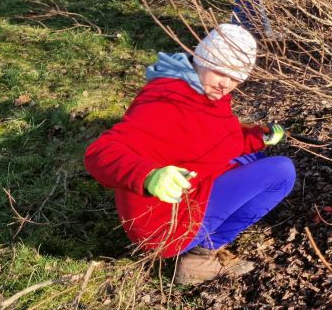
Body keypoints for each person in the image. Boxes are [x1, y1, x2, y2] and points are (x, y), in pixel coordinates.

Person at [85, 24, 296, 285]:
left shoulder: (204, 93)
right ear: (203, 58)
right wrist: (149, 176)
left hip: (190, 189)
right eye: (220, 71)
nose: (225, 84)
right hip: (164, 224)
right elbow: (100, 152)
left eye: (235, 78)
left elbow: (219, 140)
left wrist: (259, 136)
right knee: (281, 173)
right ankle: (200, 257)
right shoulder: (166, 101)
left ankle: (201, 246)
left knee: (257, 162)